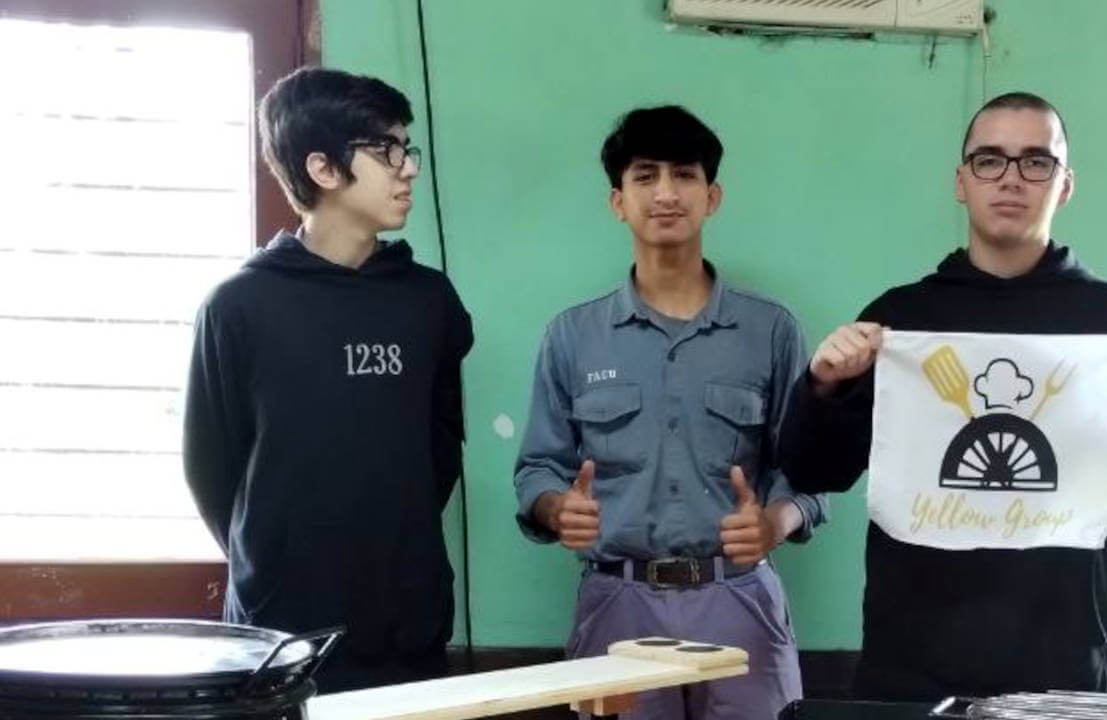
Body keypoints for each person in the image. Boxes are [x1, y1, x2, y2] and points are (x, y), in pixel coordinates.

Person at [779, 91, 1107, 701]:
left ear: (1065, 184)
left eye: (1035, 161)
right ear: (961, 181)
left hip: (1070, 678)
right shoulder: (901, 320)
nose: (1011, 178)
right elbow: (812, 469)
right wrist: (822, 386)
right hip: (909, 674)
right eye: (989, 160)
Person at [513, 105, 827, 720]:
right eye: (645, 175)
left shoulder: (770, 330)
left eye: (684, 174)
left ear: (712, 197)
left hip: (739, 598)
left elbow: (809, 476)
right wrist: (556, 508)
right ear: (618, 202)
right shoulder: (573, 335)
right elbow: (537, 469)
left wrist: (774, 522)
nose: (665, 193)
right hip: (618, 602)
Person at [183, 66, 472, 692]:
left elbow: (439, 452)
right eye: (386, 150)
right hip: (278, 633)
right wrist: (276, 557)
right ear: (322, 168)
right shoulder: (238, 306)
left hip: (407, 625)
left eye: (407, 148)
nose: (408, 168)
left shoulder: (429, 302)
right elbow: (211, 471)